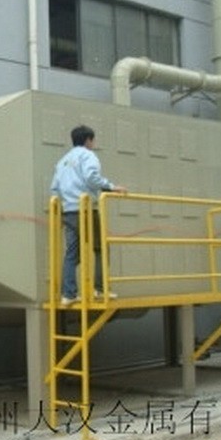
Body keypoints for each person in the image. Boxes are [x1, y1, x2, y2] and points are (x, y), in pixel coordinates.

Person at [50, 125, 127, 305]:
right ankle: (99, 289)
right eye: (93, 140)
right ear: (88, 140)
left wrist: (60, 210)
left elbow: (54, 189)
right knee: (100, 248)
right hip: (86, 209)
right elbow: (91, 177)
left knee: (71, 253)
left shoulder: (62, 161)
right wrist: (111, 187)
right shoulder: (88, 155)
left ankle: (68, 294)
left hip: (68, 211)